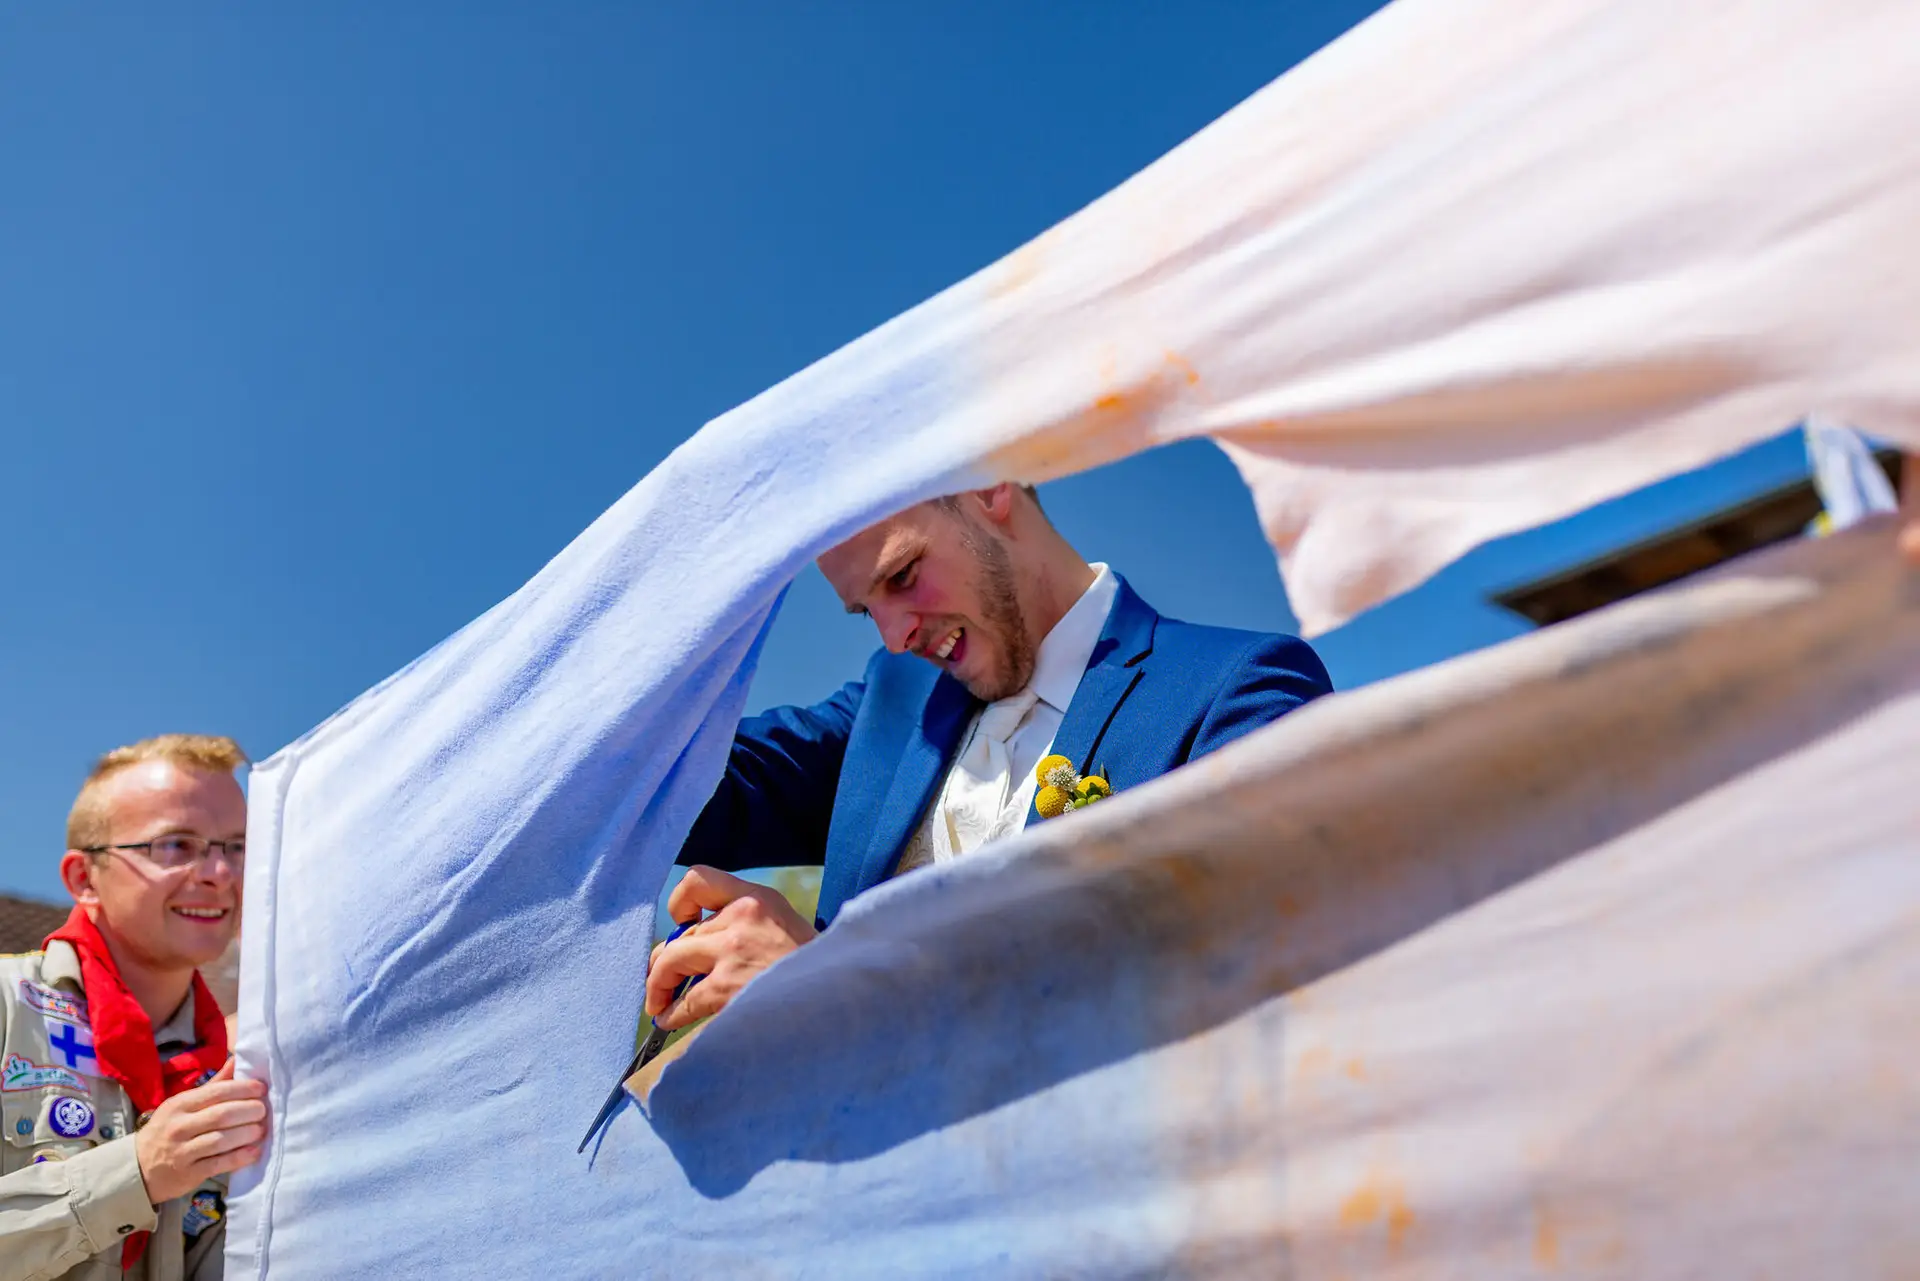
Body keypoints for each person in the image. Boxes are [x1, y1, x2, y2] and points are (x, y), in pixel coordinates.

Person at [645, 484, 1333, 1031]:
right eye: (866, 611)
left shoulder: (1237, 688)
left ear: (991, 486)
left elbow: (1226, 978)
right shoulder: (894, 699)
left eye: (904, 575)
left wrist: (829, 989)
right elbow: (688, 783)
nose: (894, 635)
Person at [0, 735, 266, 1281]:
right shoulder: (9, 1006)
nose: (219, 873)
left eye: (237, 847)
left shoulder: (246, 1065)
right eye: (176, 845)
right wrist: (138, 1171)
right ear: (84, 878)